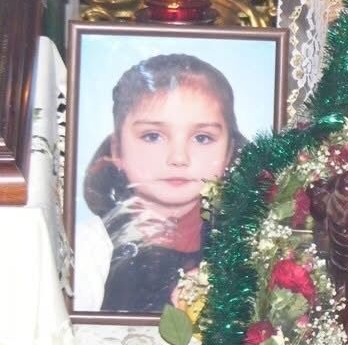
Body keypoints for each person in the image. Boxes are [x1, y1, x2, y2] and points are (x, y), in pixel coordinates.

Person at [75, 54, 245, 313]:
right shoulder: (88, 247)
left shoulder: (245, 247)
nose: (178, 158)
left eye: (202, 138)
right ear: (117, 150)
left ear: (229, 152)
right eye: (153, 136)